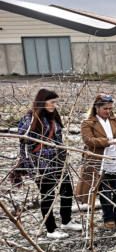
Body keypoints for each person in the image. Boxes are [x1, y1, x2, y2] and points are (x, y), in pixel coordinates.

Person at [16, 89, 82, 239]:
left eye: (56, 102)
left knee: (67, 191)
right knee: (48, 196)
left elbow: (59, 138)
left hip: (58, 161)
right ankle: (51, 229)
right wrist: (32, 168)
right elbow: (24, 145)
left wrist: (64, 153)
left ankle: (66, 220)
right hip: (41, 164)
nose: (54, 105)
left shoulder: (53, 117)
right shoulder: (30, 119)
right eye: (52, 102)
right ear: (42, 102)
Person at [77, 94, 116, 229]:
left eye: (110, 108)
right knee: (105, 191)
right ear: (97, 108)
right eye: (105, 108)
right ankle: (108, 218)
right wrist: (108, 141)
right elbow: (88, 141)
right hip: (99, 162)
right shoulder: (88, 123)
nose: (108, 111)